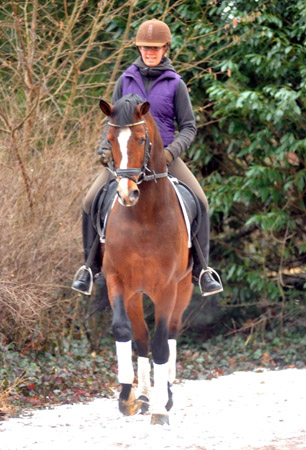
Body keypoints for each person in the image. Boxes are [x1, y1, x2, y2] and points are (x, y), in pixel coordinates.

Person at [72, 19, 223, 297]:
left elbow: (189, 126)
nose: (149, 52)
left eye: (155, 48)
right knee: (89, 200)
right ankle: (89, 268)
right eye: (144, 47)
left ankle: (202, 270)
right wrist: (106, 150)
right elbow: (113, 121)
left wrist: (169, 153)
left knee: (201, 201)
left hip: (164, 158)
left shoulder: (176, 84)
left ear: (165, 48)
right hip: (127, 159)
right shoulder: (125, 79)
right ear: (139, 48)